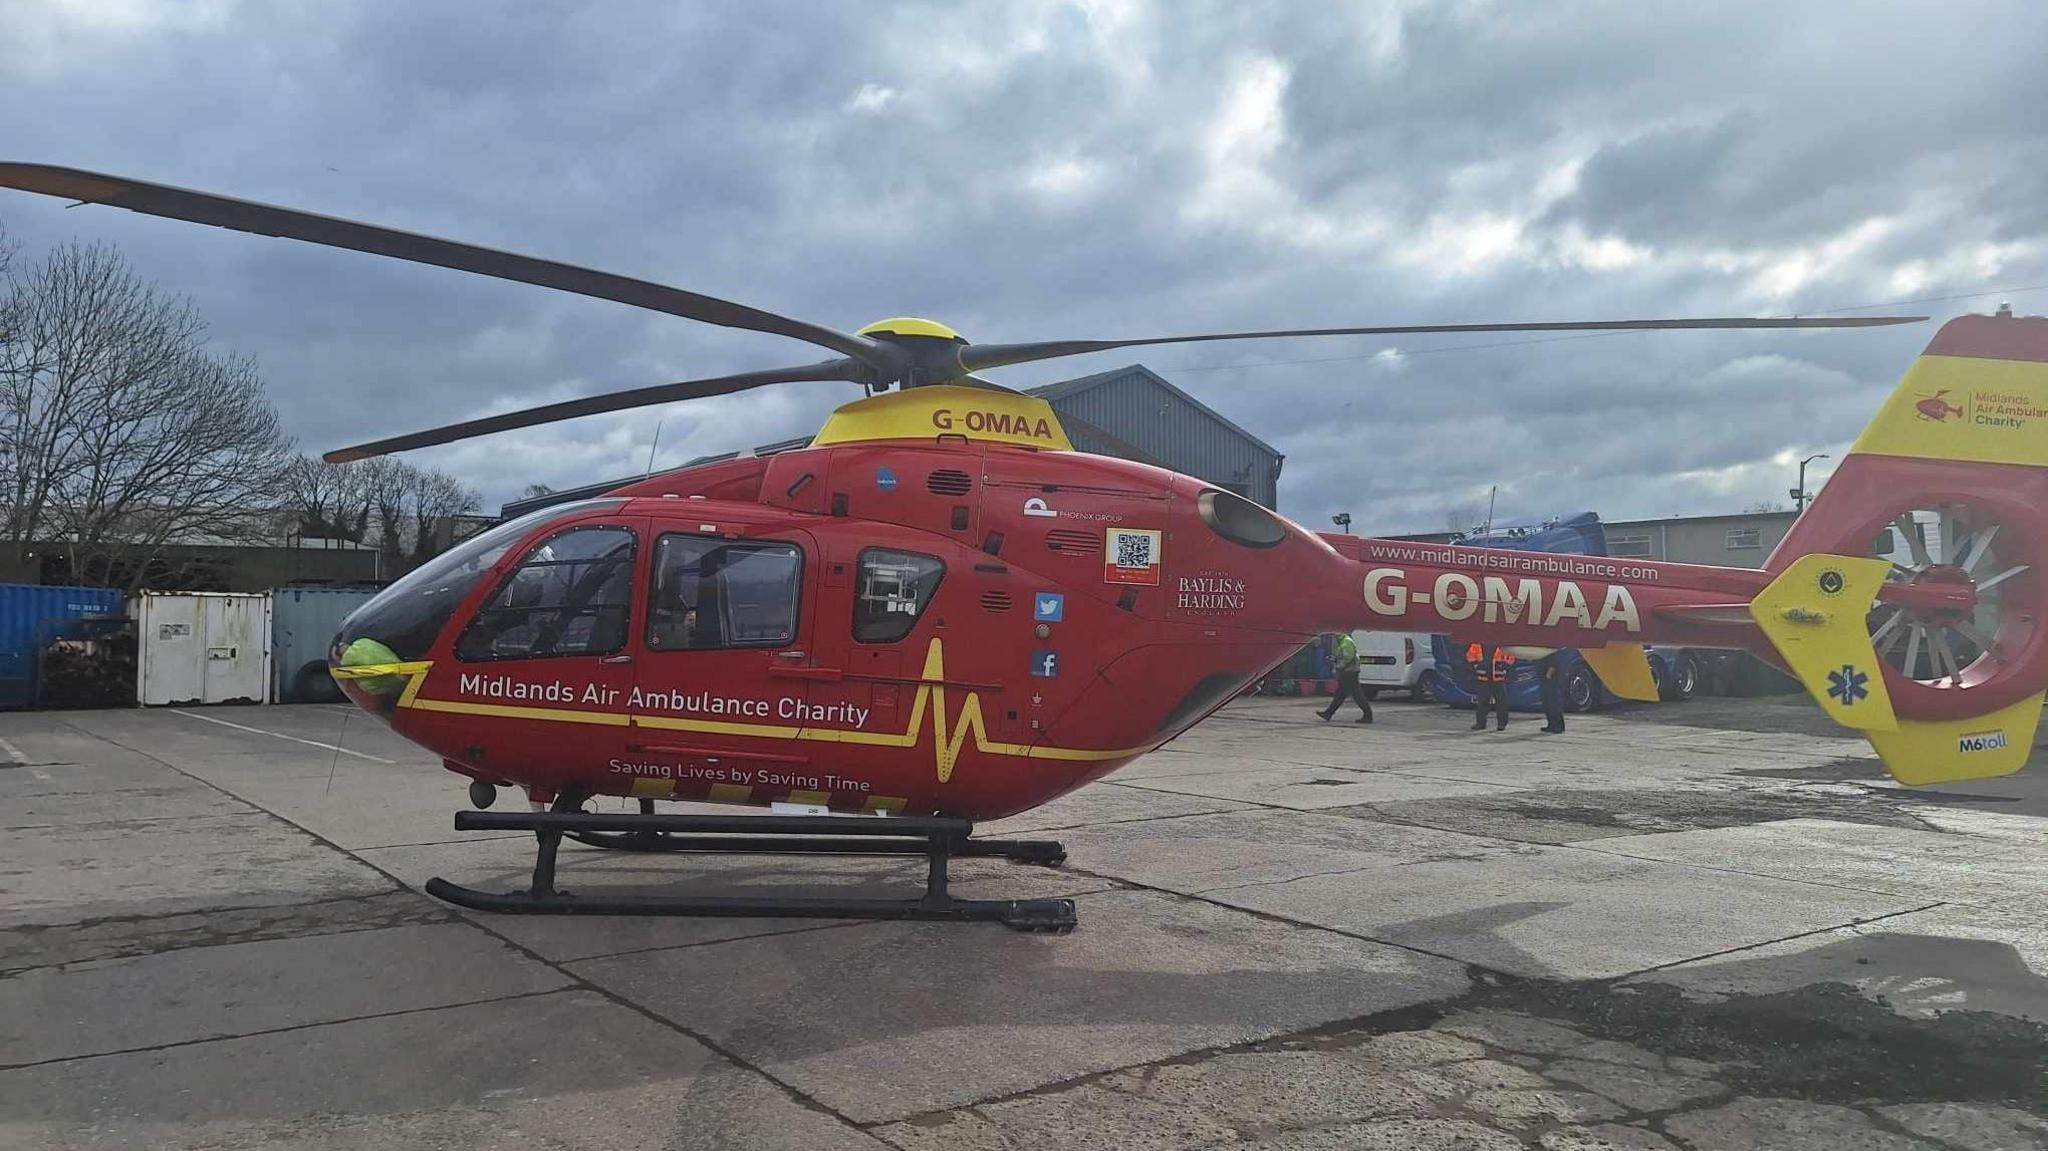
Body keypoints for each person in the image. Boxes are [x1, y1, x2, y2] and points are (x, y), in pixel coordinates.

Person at [1317, 632, 1374, 724]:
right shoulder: (1343, 642)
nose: (1333, 636)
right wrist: (1335, 659)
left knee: (1356, 695)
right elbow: (1344, 656)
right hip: (1348, 671)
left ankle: (1368, 715)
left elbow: (1348, 658)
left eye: (1334, 634)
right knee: (1341, 694)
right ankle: (1328, 713)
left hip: (1349, 672)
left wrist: (1339, 667)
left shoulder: (1346, 642)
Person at [1466, 640, 1514, 731]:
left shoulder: (1504, 645)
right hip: (1483, 678)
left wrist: (1504, 667)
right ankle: (1480, 723)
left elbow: (1511, 658)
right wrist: (1476, 666)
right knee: (1482, 702)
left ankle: (1502, 724)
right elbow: (1470, 656)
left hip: (1498, 679)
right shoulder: (1477, 644)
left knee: (1501, 703)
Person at [1535, 650, 1566, 734]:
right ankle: (1551, 724)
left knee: (1553, 701)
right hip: (1542, 676)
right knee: (1546, 702)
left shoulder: (1549, 646)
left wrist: (1549, 673)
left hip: (1550, 677)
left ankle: (1559, 726)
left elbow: (1554, 661)